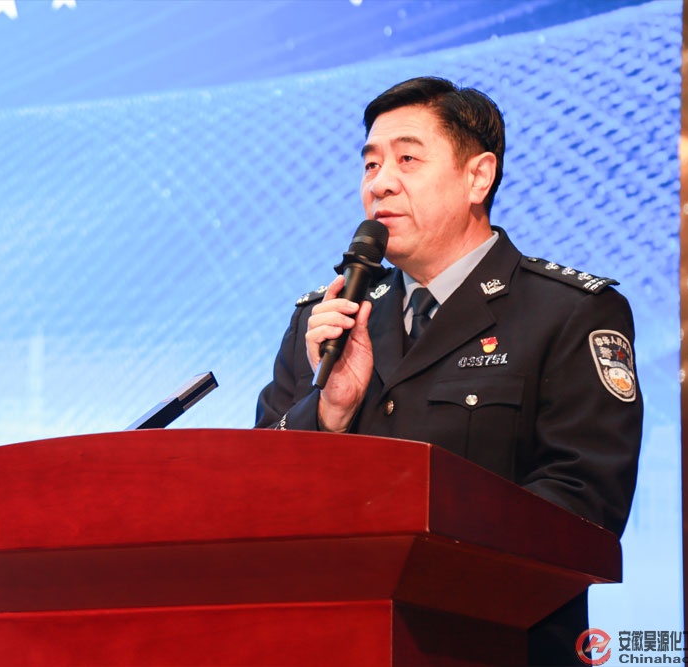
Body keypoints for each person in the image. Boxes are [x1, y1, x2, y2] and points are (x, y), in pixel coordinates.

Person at [256, 76, 642, 666]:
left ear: (478, 177)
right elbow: (259, 495)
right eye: (371, 164)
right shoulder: (328, 320)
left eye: (407, 159)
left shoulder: (569, 312)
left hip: (494, 646)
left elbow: (584, 505)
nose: (380, 183)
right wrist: (329, 413)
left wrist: (419, 560)